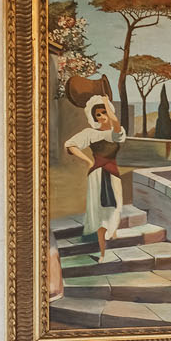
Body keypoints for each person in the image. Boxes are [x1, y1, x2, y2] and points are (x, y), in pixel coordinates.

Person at [64, 96, 127, 256]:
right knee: (100, 212)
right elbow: (70, 145)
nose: (102, 117)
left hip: (113, 174)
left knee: (115, 207)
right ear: (94, 118)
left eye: (104, 112)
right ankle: (103, 252)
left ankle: (112, 235)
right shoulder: (90, 133)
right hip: (97, 175)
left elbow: (115, 122)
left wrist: (106, 102)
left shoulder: (116, 132)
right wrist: (87, 160)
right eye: (98, 114)